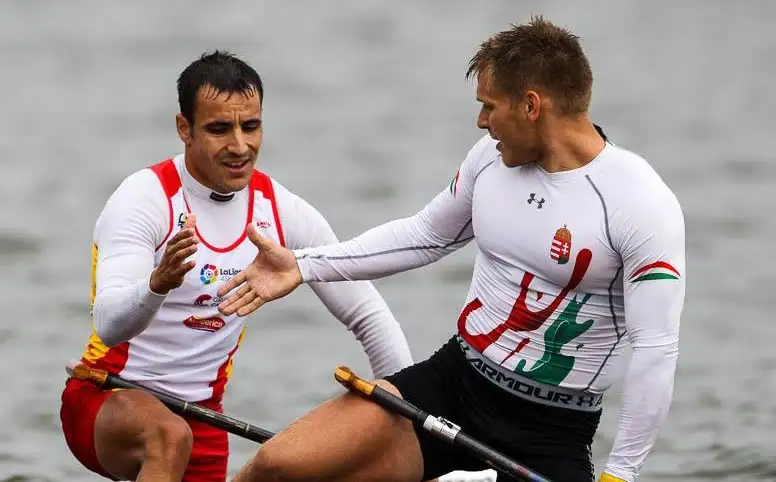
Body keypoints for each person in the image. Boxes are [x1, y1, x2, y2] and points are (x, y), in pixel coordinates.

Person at [216, 16, 686, 482]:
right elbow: (425, 235)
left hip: (551, 432)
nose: (481, 122)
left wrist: (620, 474)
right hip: (453, 386)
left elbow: (656, 349)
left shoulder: (639, 204)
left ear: (530, 105)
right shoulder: (490, 160)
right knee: (277, 466)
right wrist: (302, 265)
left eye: (489, 106)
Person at [58, 51, 414, 482]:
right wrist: (157, 285)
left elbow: (368, 316)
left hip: (204, 420)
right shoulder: (144, 199)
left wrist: (411, 423)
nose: (240, 147)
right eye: (219, 129)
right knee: (168, 437)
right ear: (183, 129)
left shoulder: (281, 210)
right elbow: (110, 323)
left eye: (251, 126)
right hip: (106, 395)